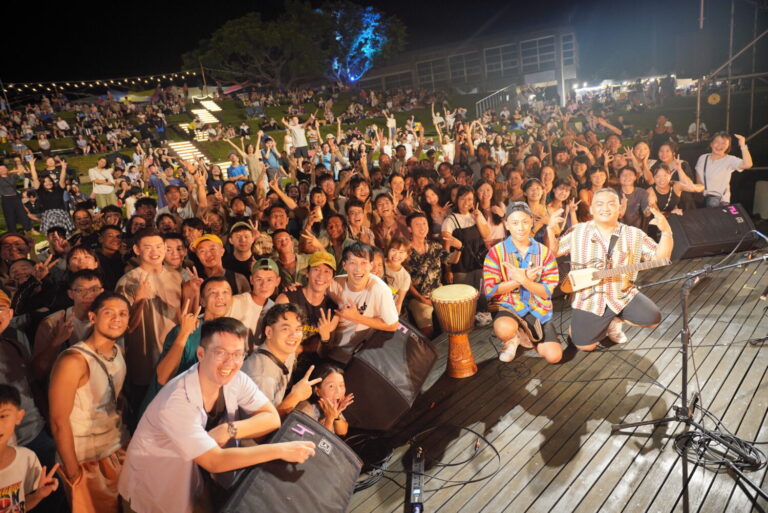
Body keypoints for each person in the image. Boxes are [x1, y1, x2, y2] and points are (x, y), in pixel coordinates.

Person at [119, 317, 315, 513]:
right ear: (201, 354)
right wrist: (280, 450)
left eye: (238, 354)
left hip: (194, 477)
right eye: (220, 353)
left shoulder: (237, 379)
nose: (230, 362)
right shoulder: (176, 401)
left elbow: (271, 419)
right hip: (154, 486)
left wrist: (229, 429)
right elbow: (215, 461)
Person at [546, 188, 674, 350]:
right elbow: (553, 252)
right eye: (599, 204)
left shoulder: (634, 234)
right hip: (589, 299)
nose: (605, 208)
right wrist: (550, 229)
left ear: (620, 208)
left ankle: (614, 321)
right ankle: (598, 325)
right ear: (591, 209)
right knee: (585, 346)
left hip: (622, 294)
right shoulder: (578, 231)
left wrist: (666, 232)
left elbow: (660, 258)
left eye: (611, 204)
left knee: (652, 318)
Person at [48, 292, 130, 513]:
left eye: (123, 314)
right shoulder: (73, 360)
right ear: (93, 317)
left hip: (115, 448)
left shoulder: (117, 351)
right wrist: (74, 474)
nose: (117, 319)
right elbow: (58, 421)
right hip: (86, 458)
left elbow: (116, 398)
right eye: (109, 313)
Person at [483, 203, 561, 363]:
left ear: (532, 222)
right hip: (509, 306)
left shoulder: (544, 252)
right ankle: (512, 337)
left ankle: (526, 334)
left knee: (554, 356)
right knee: (504, 329)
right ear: (506, 225)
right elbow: (490, 290)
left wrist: (524, 280)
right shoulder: (495, 252)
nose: (520, 227)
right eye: (515, 223)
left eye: (525, 222)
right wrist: (517, 281)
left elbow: (547, 291)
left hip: (537, 308)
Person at [115, 228, 183, 406]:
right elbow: (124, 327)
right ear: (137, 250)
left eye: (159, 246)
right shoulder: (127, 282)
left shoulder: (177, 276)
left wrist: (195, 292)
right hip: (144, 361)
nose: (155, 252)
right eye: (148, 247)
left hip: (175, 356)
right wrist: (139, 300)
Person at [241, 303, 323, 417]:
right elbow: (260, 425)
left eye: (298, 329)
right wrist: (295, 397)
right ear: (269, 332)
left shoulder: (287, 352)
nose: (293, 335)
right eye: (285, 329)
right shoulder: (261, 376)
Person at [328, 242, 399, 358]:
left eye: (363, 263)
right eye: (352, 263)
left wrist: (356, 317)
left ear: (371, 265)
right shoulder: (334, 284)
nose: (358, 269)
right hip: (328, 346)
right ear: (344, 265)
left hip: (355, 355)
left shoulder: (380, 290)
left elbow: (393, 325)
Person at [0, 384, 61, 512]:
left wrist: (38, 495)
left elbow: (19, 507)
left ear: (19, 416)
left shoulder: (27, 459)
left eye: (3, 416)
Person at [694, 132, 753, 207]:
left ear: (728, 146)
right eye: (717, 142)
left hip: (720, 201)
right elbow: (698, 178)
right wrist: (698, 194)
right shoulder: (703, 157)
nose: (719, 146)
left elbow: (748, 164)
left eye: (724, 143)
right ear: (711, 144)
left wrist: (743, 145)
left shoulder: (730, 160)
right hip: (702, 200)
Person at [296, 365, 354, 436]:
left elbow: (342, 432)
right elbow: (319, 441)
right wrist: (330, 419)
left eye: (341, 385)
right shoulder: (305, 410)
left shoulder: (330, 405)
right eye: (331, 386)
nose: (338, 391)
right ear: (317, 390)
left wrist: (336, 415)